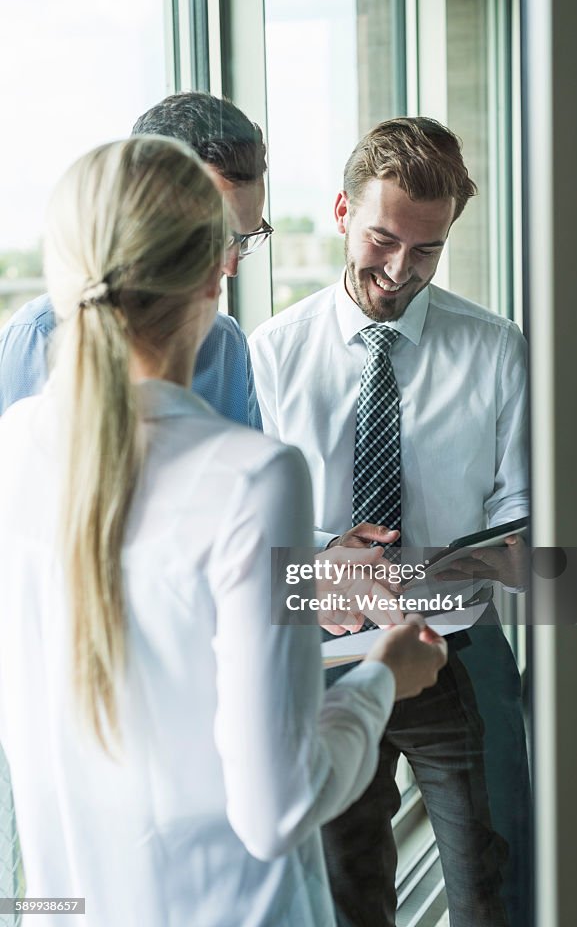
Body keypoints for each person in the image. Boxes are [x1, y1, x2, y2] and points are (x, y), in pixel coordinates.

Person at [0, 136, 447, 927]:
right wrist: (383, 676)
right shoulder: (254, 475)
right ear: (217, 271)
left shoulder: (14, 447)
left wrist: (305, 576)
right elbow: (277, 811)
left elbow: (175, 582)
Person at [249, 117, 531, 927]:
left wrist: (461, 570)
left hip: (459, 649)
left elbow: (518, 519)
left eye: (426, 250)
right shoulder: (270, 355)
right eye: (382, 239)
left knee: (493, 884)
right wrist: (318, 559)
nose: (400, 270)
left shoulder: (495, 349)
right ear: (342, 212)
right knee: (348, 894)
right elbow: (247, 545)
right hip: (322, 657)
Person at [0, 92, 266, 425]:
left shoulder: (229, 347)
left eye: (245, 239)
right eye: (213, 237)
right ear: (138, 208)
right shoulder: (38, 337)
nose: (230, 267)